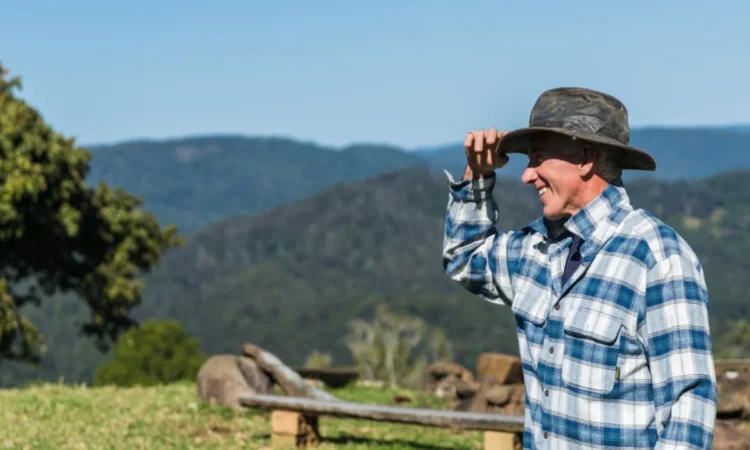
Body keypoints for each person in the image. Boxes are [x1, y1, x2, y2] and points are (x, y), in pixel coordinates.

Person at [442, 87, 717, 449]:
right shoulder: (534, 250)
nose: (527, 175)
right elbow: (465, 258)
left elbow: (688, 407)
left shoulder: (657, 257)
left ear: (586, 159)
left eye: (537, 158)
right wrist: (477, 178)